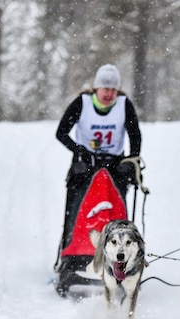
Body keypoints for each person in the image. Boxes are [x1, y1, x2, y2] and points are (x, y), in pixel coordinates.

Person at [54, 64, 143, 271]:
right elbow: (61, 132)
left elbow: (135, 134)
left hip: (114, 167)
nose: (109, 94)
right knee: (76, 212)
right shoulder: (82, 103)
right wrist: (78, 150)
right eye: (105, 89)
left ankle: (121, 261)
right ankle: (70, 256)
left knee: (116, 214)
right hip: (85, 166)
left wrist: (132, 161)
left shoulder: (123, 105)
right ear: (96, 88)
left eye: (113, 89)